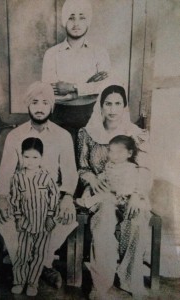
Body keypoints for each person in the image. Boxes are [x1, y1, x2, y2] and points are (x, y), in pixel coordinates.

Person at [0, 82, 78, 289]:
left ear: (52, 107)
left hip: (50, 198)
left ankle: (43, 263)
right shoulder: (15, 136)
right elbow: (5, 173)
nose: (40, 107)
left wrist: (67, 198)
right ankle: (22, 264)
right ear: (27, 105)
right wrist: (2, 197)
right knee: (4, 218)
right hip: (20, 196)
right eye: (35, 102)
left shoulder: (63, 136)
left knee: (64, 219)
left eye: (45, 102)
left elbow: (70, 173)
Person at [77, 83, 152, 299]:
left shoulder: (136, 135)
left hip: (131, 191)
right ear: (101, 107)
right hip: (102, 193)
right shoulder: (88, 134)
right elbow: (82, 167)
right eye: (108, 103)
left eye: (118, 103)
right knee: (105, 218)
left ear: (124, 107)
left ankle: (129, 278)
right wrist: (91, 178)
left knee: (136, 218)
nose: (112, 109)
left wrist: (138, 195)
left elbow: (146, 169)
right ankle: (100, 282)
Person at [42, 0, 111, 137]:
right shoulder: (51, 54)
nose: (76, 24)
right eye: (71, 18)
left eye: (82, 17)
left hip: (92, 114)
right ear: (64, 21)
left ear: (88, 22)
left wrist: (73, 88)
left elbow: (105, 87)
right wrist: (88, 87)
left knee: (90, 157)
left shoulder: (100, 52)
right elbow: (49, 91)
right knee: (63, 157)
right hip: (60, 115)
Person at [10, 137, 59, 296]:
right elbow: (15, 198)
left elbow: (54, 197)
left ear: (42, 158)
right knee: (22, 254)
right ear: (21, 156)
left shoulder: (47, 176)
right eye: (26, 157)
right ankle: (19, 281)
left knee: (39, 255)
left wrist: (50, 216)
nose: (30, 161)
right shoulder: (17, 177)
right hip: (25, 223)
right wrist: (18, 217)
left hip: (44, 224)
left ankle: (32, 283)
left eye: (35, 157)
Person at [76, 135, 140, 211]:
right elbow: (105, 174)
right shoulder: (110, 165)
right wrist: (100, 179)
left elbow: (130, 185)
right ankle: (85, 200)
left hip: (121, 196)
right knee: (92, 188)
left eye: (119, 152)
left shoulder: (130, 168)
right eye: (112, 152)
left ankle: (87, 203)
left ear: (129, 153)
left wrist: (113, 187)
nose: (115, 156)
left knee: (104, 196)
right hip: (109, 189)